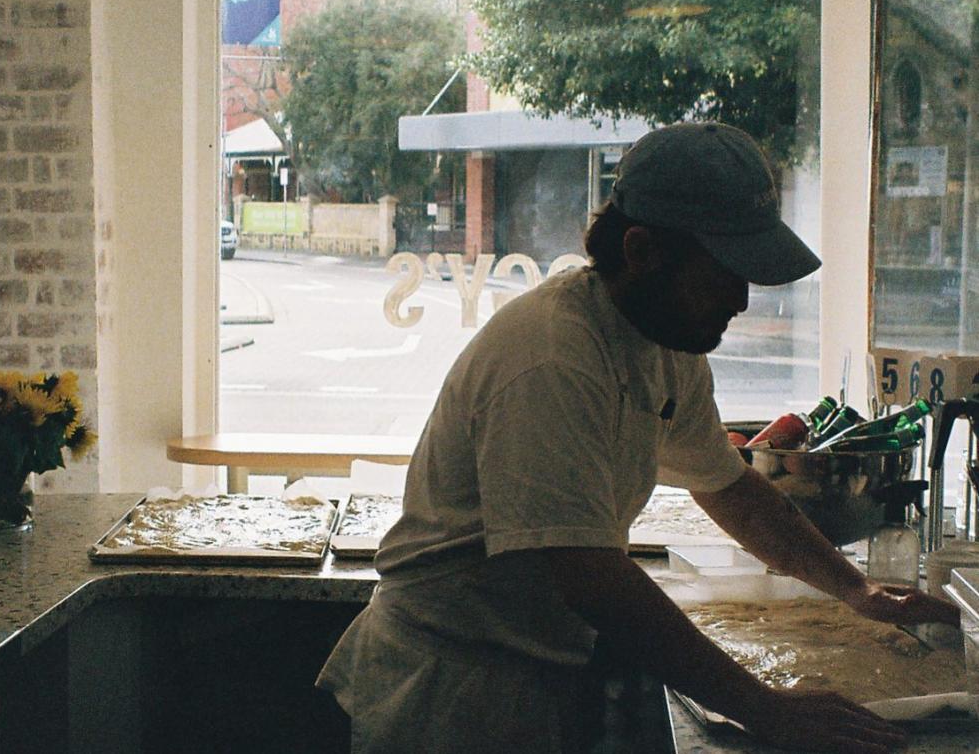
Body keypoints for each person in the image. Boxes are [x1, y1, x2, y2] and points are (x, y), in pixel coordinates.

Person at [316, 122, 960, 754]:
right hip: (450, 691)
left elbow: (731, 488)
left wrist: (857, 590)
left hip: (531, 669)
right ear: (643, 251)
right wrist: (765, 709)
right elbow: (590, 575)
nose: (739, 299)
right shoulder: (553, 357)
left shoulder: (666, 342)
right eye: (724, 273)